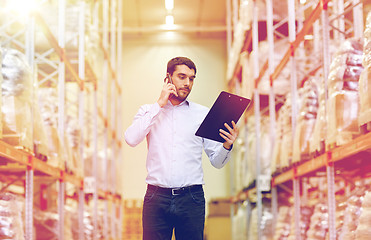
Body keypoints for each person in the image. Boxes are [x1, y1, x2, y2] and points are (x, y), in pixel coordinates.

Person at [124, 56, 238, 240]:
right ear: (168, 78)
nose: (187, 83)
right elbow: (131, 138)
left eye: (191, 78)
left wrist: (227, 145)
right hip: (156, 198)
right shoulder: (148, 111)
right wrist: (159, 104)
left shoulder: (202, 114)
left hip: (191, 199)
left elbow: (217, 162)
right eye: (182, 77)